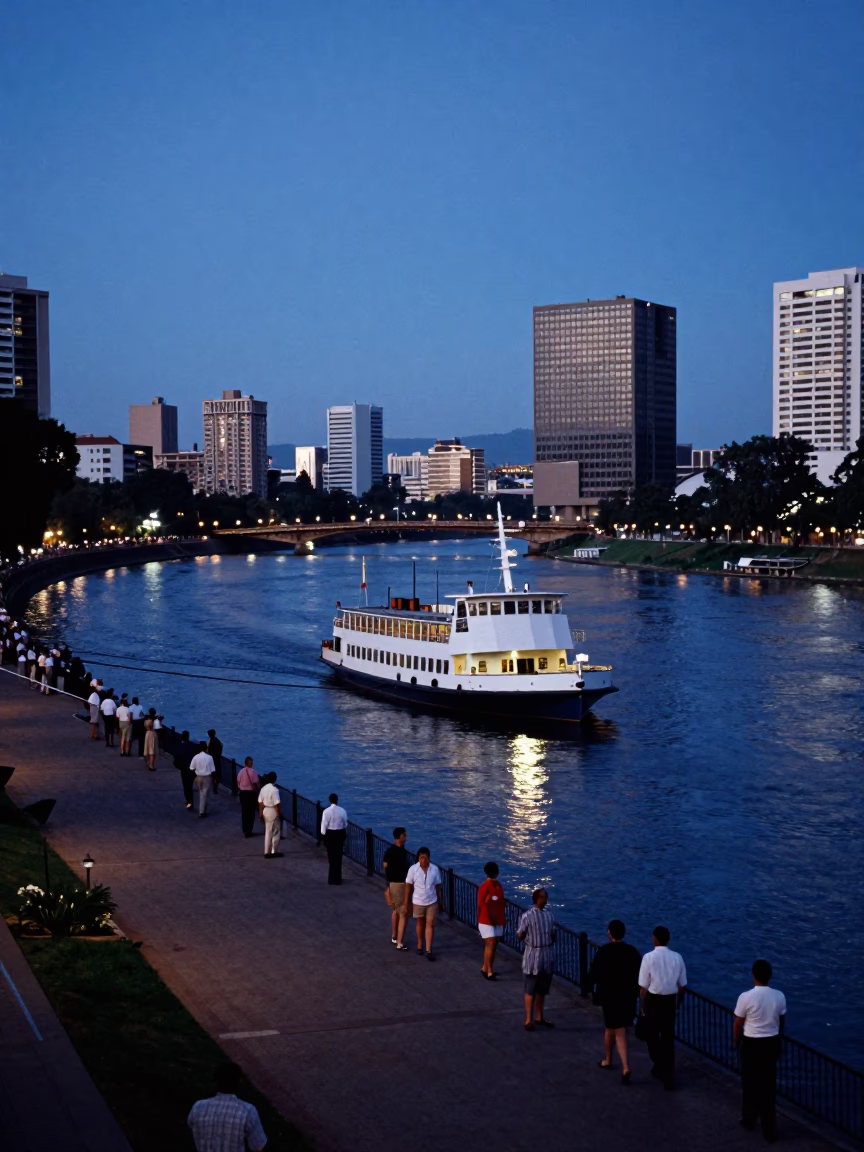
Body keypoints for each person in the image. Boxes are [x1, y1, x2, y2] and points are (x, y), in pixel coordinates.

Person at [734, 959, 786, 1143]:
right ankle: (769, 1130)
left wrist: (736, 1041)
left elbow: (738, 1023)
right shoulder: (780, 996)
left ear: (753, 975)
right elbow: (781, 1022)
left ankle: (749, 1120)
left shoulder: (745, 997)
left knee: (749, 1085)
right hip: (770, 1044)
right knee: (768, 1087)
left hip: (751, 1044)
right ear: (769, 976)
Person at [587, 919, 642, 1084]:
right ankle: (609, 1059)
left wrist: (591, 990)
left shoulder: (604, 951)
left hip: (609, 996)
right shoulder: (632, 952)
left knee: (616, 1029)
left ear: (610, 933)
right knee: (615, 1028)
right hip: (628, 997)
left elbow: (594, 973)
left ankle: (624, 1066)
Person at [638, 926, 687, 1090]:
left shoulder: (648, 958)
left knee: (651, 1036)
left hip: (653, 1000)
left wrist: (642, 1005)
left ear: (654, 939)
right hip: (669, 1001)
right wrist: (678, 1003)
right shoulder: (677, 957)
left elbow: (643, 987)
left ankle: (659, 1065)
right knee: (668, 1038)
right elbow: (682, 986)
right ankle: (669, 1076)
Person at [187, 1062, 267, 1152]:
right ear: (239, 1083)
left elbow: (191, 1128)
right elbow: (258, 1147)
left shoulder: (198, 1107)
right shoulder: (248, 1111)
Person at [517, 888, 557, 1030]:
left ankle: (533, 1018)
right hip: (543, 955)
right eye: (542, 897)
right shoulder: (549, 916)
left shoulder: (527, 916)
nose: (544, 900)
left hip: (535, 956)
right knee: (536, 989)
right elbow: (553, 936)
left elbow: (521, 934)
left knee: (536, 989)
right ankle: (534, 1017)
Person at [404, 847, 443, 960]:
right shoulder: (413, 869)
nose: (423, 860)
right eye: (421, 858)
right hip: (418, 901)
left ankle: (428, 949)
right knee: (420, 923)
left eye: (425, 858)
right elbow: (408, 886)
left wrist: (440, 902)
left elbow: (438, 887)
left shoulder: (435, 870)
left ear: (429, 858)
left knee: (430, 923)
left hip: (432, 901)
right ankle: (420, 945)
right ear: (418, 858)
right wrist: (407, 903)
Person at [477, 861, 506, 980]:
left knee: (492, 945)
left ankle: (485, 967)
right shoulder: (486, 886)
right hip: (487, 919)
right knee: (491, 944)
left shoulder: (495, 885)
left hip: (495, 919)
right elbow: (481, 903)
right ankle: (489, 970)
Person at [382, 827, 409, 949]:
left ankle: (394, 936)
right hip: (398, 883)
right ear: (399, 837)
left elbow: (385, 866)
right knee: (403, 911)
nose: (406, 837)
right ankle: (399, 942)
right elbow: (386, 866)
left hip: (397, 883)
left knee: (396, 911)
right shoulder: (395, 851)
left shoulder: (394, 851)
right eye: (404, 835)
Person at [320, 792, 348, 885]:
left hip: (330, 834)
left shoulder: (326, 811)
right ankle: (338, 878)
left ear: (329, 800)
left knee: (331, 857)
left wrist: (323, 835)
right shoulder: (342, 811)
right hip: (340, 834)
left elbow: (324, 825)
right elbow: (345, 823)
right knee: (339, 856)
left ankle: (331, 879)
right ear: (337, 800)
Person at [258, 772, 282, 857]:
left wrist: (260, 812)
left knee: (267, 831)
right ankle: (274, 851)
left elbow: (260, 802)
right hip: (272, 810)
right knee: (276, 831)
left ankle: (266, 851)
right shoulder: (275, 790)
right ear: (275, 779)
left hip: (265, 810)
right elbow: (276, 804)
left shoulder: (263, 788)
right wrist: (279, 813)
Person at [190, 741, 217, 817]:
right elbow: (213, 770)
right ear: (206, 748)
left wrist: (196, 774)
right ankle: (202, 811)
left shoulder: (195, 757)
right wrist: (214, 781)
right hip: (207, 777)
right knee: (205, 793)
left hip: (198, 776)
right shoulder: (209, 757)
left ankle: (203, 810)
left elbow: (191, 768)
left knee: (202, 792)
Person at [237, 756, 260, 837]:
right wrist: (259, 790)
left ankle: (244, 829)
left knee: (244, 812)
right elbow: (256, 782)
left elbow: (238, 782)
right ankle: (249, 830)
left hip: (242, 793)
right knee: (251, 812)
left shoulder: (241, 771)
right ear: (249, 763)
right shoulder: (253, 772)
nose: (252, 763)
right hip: (250, 794)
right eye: (251, 762)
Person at [174, 729, 197, 809]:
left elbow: (176, 757)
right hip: (193, 769)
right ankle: (190, 800)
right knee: (190, 784)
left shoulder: (179, 746)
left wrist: (178, 766)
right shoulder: (193, 746)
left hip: (184, 769)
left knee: (186, 786)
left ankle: (189, 802)